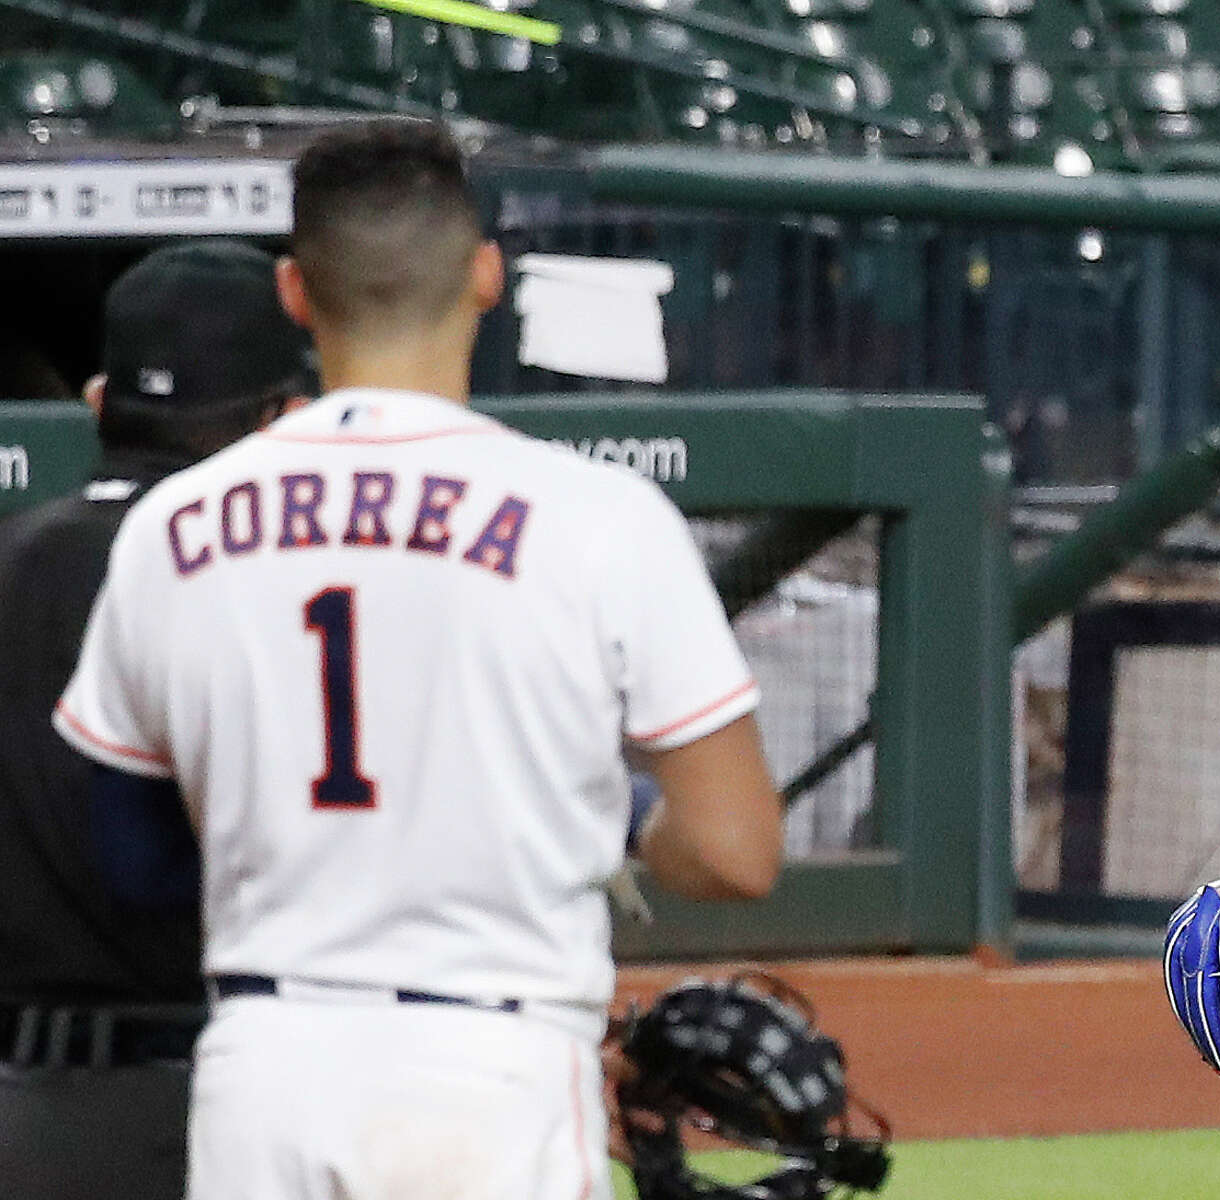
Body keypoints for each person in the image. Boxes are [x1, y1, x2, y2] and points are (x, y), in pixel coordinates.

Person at [54, 118, 785, 1200]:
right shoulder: (601, 518)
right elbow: (735, 852)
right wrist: (616, 815)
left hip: (264, 1068)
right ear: (486, 275)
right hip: (492, 1072)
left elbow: (126, 854)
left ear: (295, 292)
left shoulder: (178, 525)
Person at [0, 238, 313, 1200]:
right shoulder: (263, 587)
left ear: (100, 402)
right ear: (286, 420)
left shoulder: (9, 560)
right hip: (211, 1100)